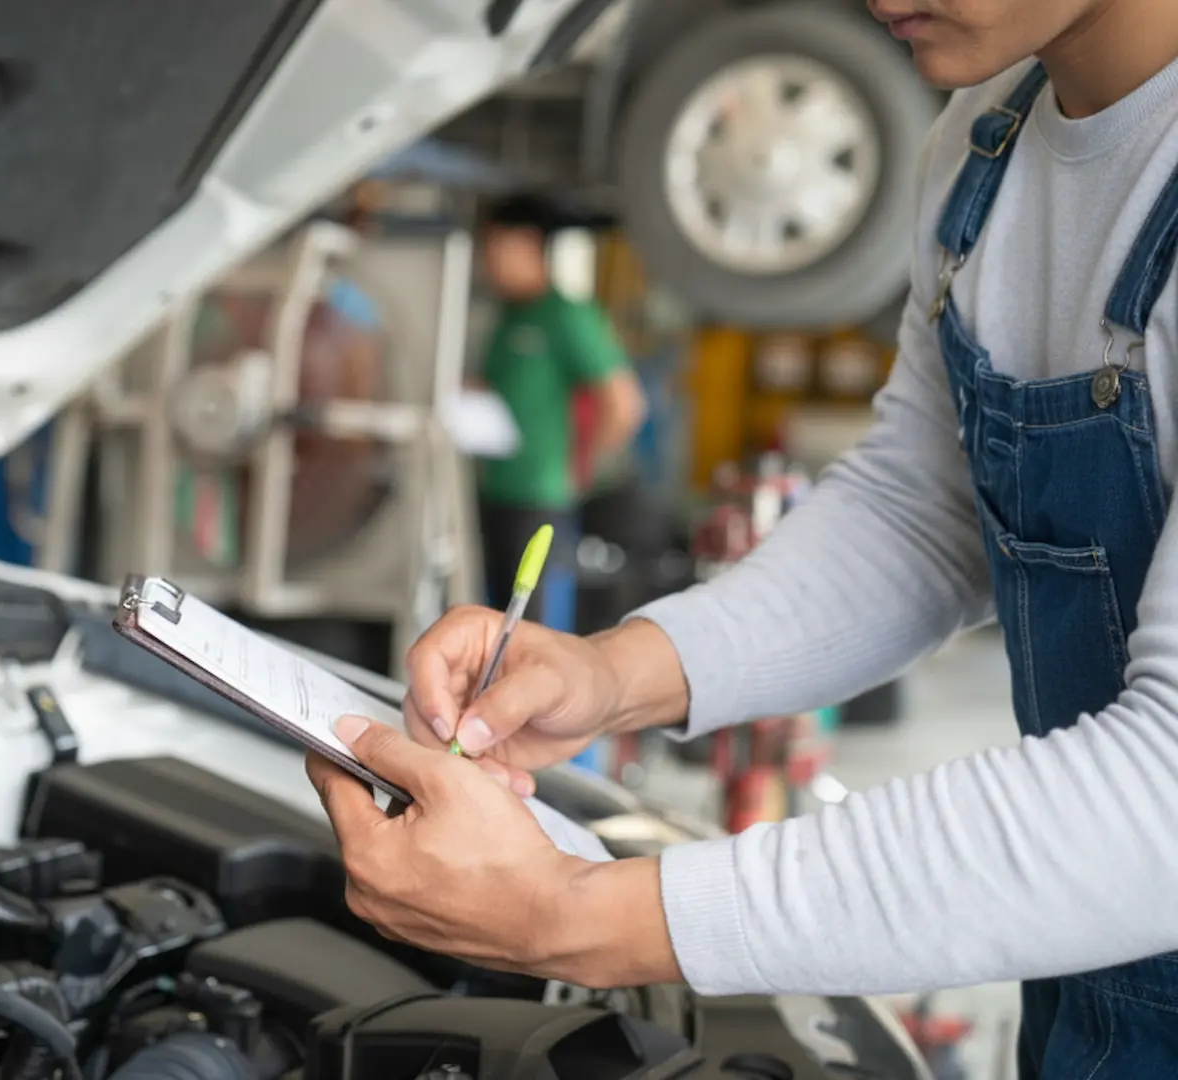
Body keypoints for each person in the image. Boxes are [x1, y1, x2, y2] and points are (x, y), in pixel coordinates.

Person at [306, 2, 1178, 1077]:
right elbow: (923, 514)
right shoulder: (979, 145)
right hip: (1088, 979)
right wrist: (615, 671)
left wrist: (584, 913)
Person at [472, 194, 646, 631]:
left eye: (494, 246)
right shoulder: (509, 317)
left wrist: (580, 470)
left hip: (541, 499)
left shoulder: (568, 316)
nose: (486, 261)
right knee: (491, 618)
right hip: (494, 489)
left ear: (527, 244)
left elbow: (624, 404)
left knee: (528, 627)